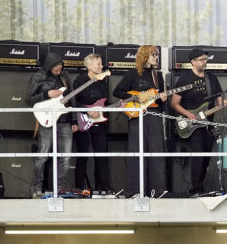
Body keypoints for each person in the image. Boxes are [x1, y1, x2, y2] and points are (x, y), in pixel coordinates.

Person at [171, 48, 227, 195]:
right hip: (191, 124)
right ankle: (195, 189)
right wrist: (189, 114)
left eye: (205, 59)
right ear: (193, 62)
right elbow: (175, 104)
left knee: (206, 156)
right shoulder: (184, 79)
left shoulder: (212, 79)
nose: (205, 62)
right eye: (202, 59)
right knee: (199, 153)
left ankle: (200, 187)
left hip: (207, 124)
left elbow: (220, 103)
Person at [111, 45, 168, 197]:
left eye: (157, 54)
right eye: (154, 54)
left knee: (156, 152)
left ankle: (157, 190)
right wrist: (138, 97)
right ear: (145, 56)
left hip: (154, 116)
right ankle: (135, 190)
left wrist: (163, 98)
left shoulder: (158, 76)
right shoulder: (133, 74)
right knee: (137, 152)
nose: (157, 57)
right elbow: (117, 91)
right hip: (138, 116)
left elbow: (160, 102)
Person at [25, 52, 73, 197]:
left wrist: (74, 120)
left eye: (60, 69)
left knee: (66, 157)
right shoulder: (38, 77)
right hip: (46, 121)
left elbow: (71, 98)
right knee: (43, 155)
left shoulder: (65, 76)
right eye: (55, 70)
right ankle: (36, 189)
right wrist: (47, 95)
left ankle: (60, 190)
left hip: (64, 120)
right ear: (48, 67)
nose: (58, 72)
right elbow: (28, 99)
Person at [71, 52, 113, 193]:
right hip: (84, 123)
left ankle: (104, 188)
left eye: (101, 64)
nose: (102, 66)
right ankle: (79, 188)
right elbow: (72, 101)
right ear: (89, 66)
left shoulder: (102, 81)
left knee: (102, 157)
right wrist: (87, 111)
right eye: (99, 64)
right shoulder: (79, 81)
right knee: (82, 157)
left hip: (100, 123)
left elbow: (105, 101)